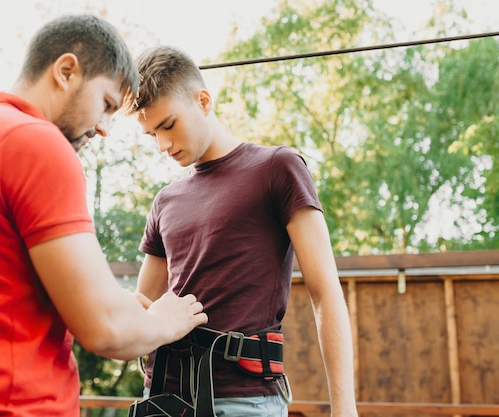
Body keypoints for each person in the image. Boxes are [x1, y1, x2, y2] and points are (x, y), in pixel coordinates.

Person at [0, 15, 207, 417]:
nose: (105, 127)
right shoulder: (35, 141)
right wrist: (166, 321)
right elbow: (105, 329)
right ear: (66, 72)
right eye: (107, 104)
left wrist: (109, 300)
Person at [130, 45, 358, 417]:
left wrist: (344, 409)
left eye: (168, 125)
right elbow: (143, 306)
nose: (162, 144)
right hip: (163, 397)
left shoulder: (277, 168)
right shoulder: (165, 201)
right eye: (150, 133)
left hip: (243, 399)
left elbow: (325, 294)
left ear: (203, 101)